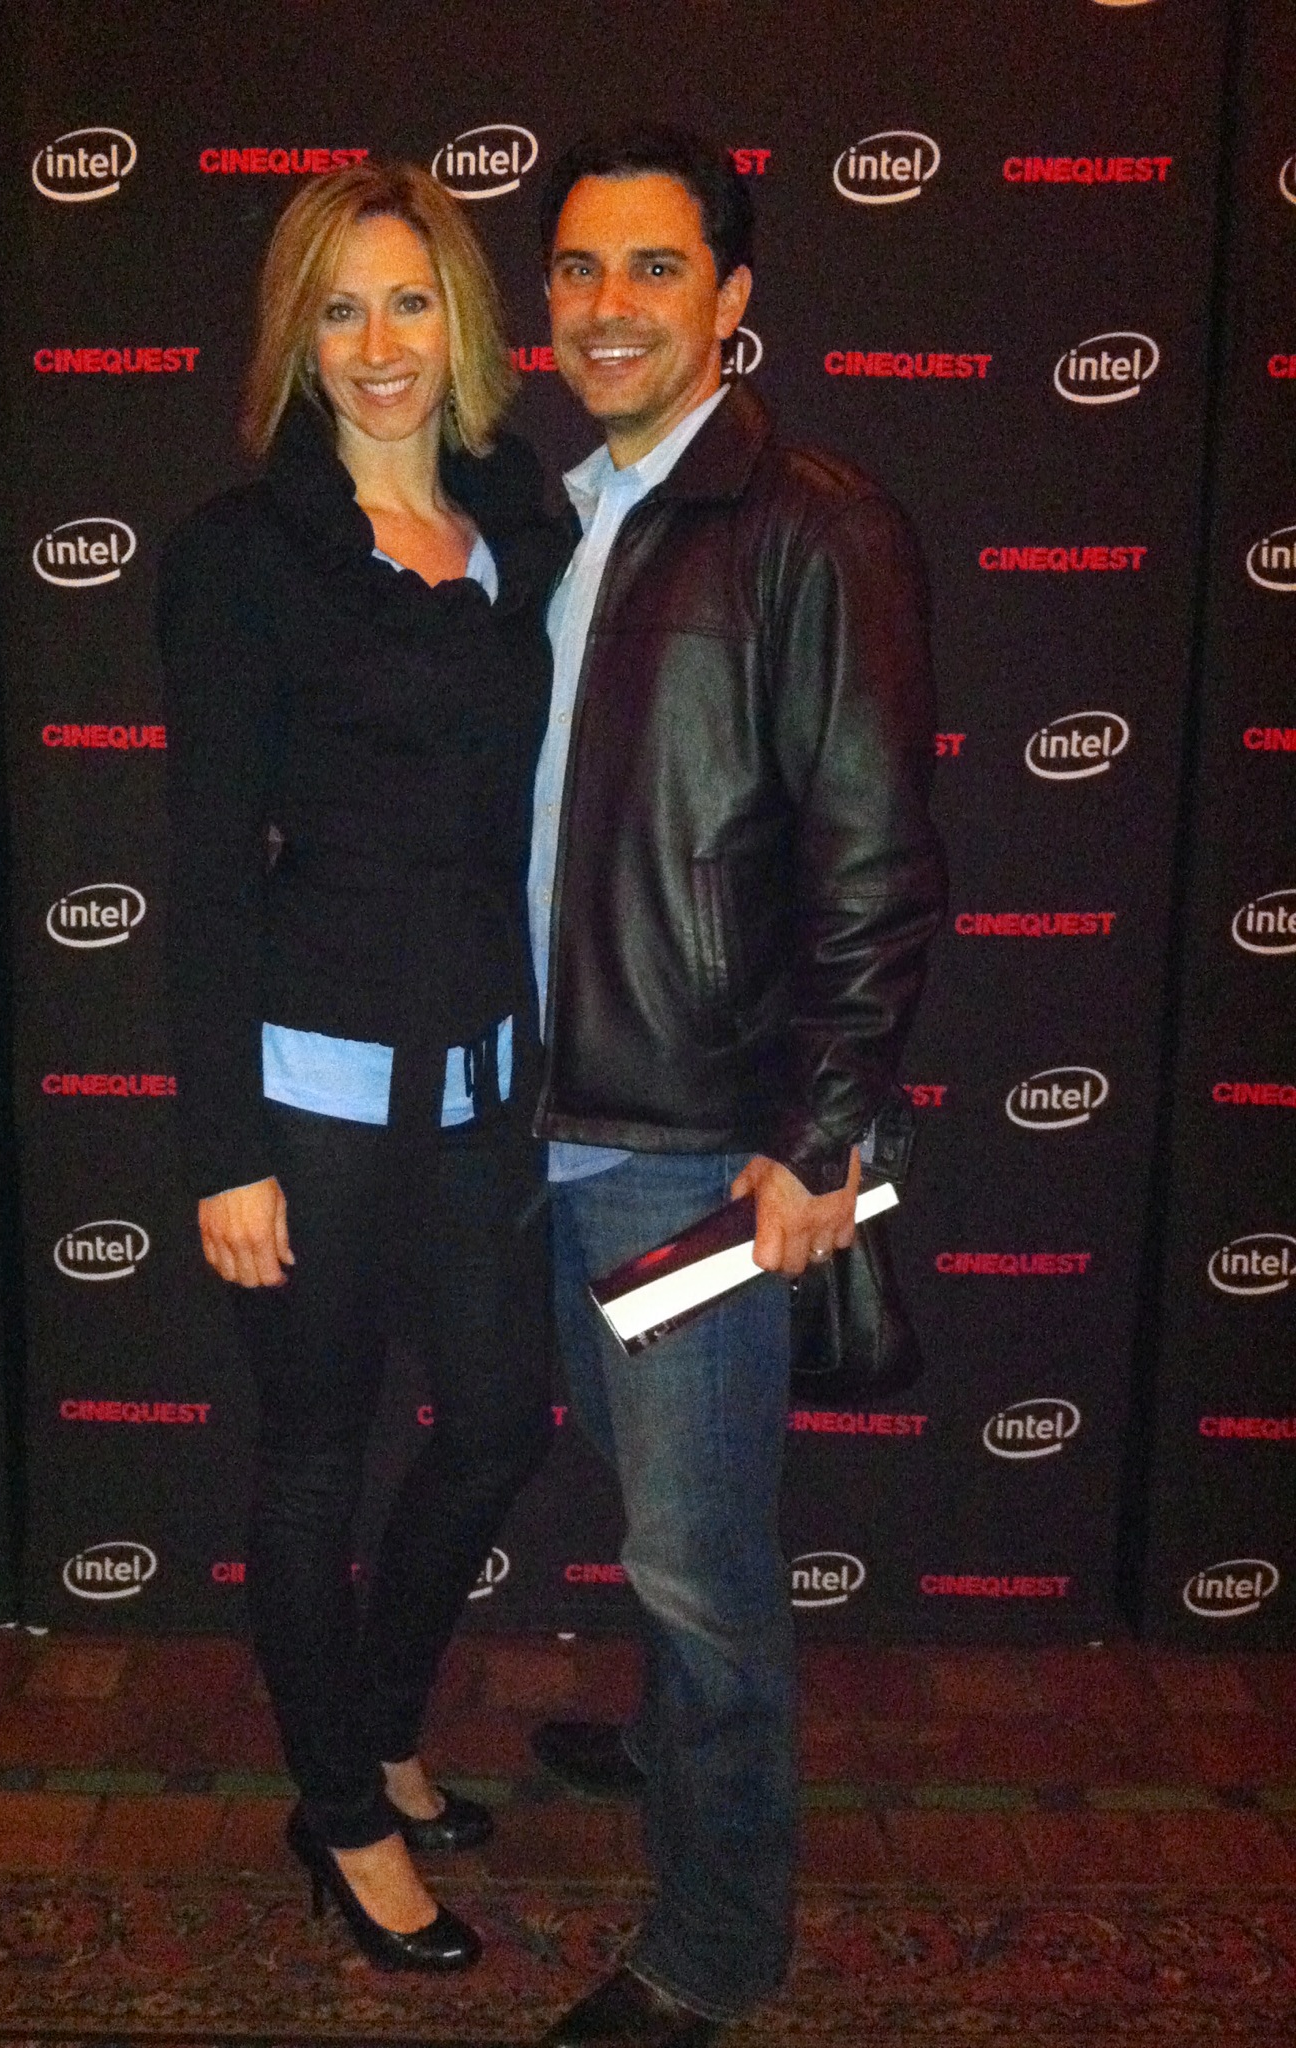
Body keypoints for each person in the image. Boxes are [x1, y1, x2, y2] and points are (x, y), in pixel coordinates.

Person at [525, 129, 946, 2046]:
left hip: (698, 1144)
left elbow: (874, 856)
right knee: (654, 1520)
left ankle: (712, 1943)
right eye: (577, 269)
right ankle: (677, 1750)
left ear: (732, 298)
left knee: (701, 1572)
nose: (607, 305)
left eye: (654, 268)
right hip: (550, 1114)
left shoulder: (811, 523)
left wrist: (819, 1135)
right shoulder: (570, 514)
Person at [159, 161, 560, 1973]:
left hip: (482, 1080)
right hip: (310, 1092)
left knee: (495, 1421)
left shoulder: (519, 526)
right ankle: (338, 1815)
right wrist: (220, 1148)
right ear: (296, 340)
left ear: (461, 321)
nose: (379, 343)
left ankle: (379, 1732)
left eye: (409, 301)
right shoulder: (248, 557)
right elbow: (201, 869)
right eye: (339, 308)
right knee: (316, 1457)